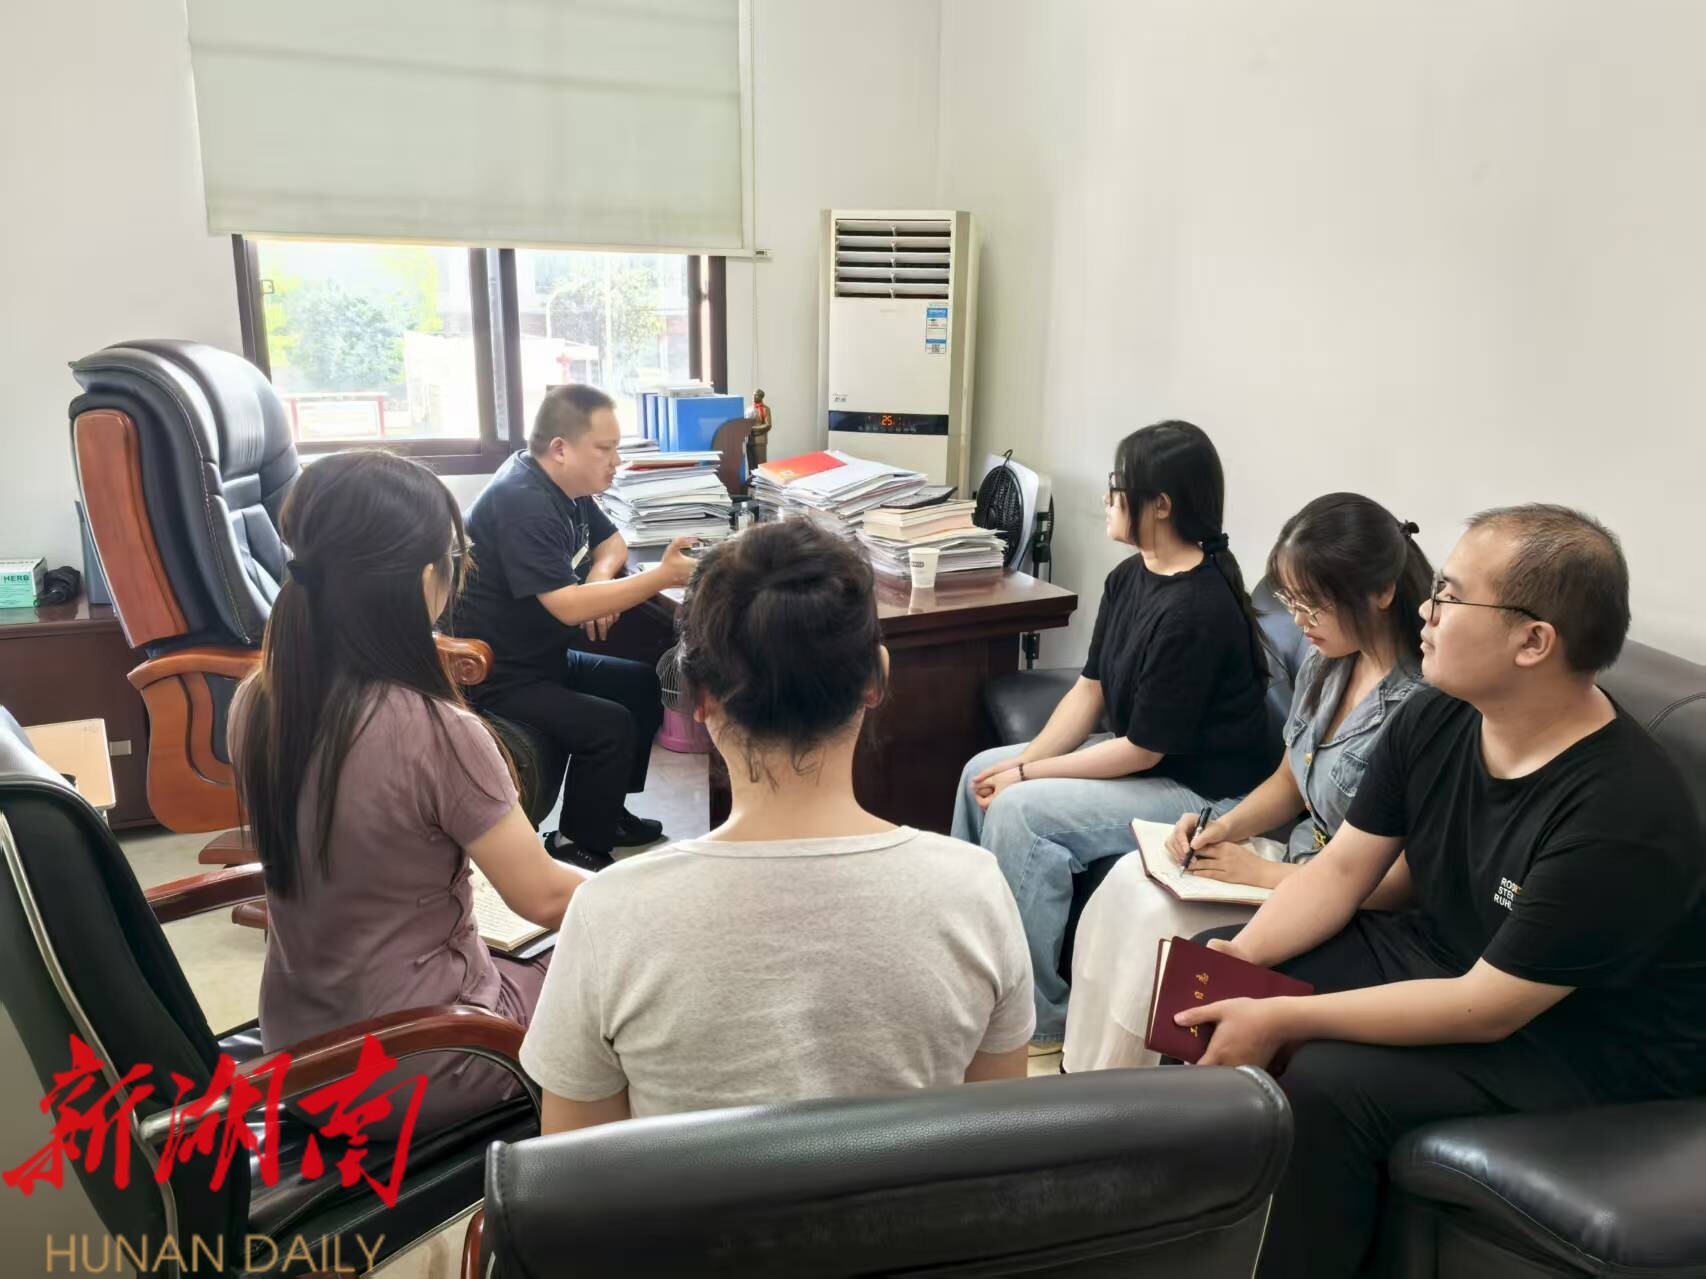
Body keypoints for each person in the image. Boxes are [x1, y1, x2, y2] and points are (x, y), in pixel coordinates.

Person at [1176, 505, 1706, 1279]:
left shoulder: (1621, 812)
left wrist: (1284, 1014)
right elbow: (1341, 870)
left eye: (1451, 597)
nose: (1425, 610)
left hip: (1578, 1040)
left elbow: (1486, 1007)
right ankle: (1170, 1238)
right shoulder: (1436, 712)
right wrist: (1241, 960)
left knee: (1322, 1081)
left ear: (1534, 641)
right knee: (1207, 981)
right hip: (1448, 954)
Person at [519, 520, 1035, 1132]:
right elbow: (996, 1143)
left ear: (698, 696)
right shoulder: (974, 891)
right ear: (876, 678)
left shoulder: (610, 914)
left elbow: (576, 1172)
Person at [231, 450, 589, 1134]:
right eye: (455, 559)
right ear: (429, 577)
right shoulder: (438, 729)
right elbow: (542, 896)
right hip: (426, 1057)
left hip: (300, 1054)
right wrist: (655, 893)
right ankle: (585, 1178)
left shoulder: (257, 700)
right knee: (615, 975)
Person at [1062, 494, 1431, 1071]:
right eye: (1291, 602)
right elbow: (1290, 780)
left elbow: (1396, 882)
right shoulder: (1328, 663)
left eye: (1314, 605)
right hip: (1297, 862)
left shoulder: (1421, 707)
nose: (1300, 623)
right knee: (1128, 882)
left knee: (1159, 929)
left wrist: (1261, 873)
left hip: (1340, 897)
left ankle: (1131, 1096)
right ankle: (1084, 1074)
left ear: (1380, 593)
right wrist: (1223, 828)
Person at [950, 420, 1274, 1052]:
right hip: (1146, 764)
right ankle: (973, 964)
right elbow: (1089, 690)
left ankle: (1037, 1018)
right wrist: (1021, 762)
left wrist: (1026, 776)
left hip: (1201, 791)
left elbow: (1142, 750)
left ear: (1161, 504)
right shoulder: (1130, 577)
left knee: (1021, 811)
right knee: (978, 771)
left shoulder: (1197, 610)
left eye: (1118, 486)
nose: (1106, 498)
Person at [454, 384, 697, 871]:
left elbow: (613, 544)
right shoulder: (523, 500)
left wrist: (598, 581)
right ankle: (574, 843)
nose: (616, 461)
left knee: (639, 684)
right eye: (605, 449)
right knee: (609, 725)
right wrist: (664, 577)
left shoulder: (565, 488)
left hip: (541, 657)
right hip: (498, 674)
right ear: (561, 449)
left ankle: (608, 815)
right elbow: (567, 608)